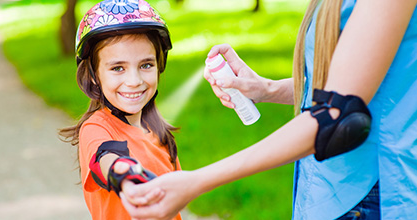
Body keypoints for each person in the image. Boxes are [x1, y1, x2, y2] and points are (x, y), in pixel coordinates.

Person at [117, 0, 417, 219]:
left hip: (372, 194)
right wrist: (266, 88)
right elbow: (343, 85)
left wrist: (197, 181)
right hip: (327, 191)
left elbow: (336, 119)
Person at [59, 0, 182, 219]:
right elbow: (105, 156)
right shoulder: (96, 128)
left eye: (146, 65)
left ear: (159, 65)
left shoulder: (159, 133)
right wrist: (123, 173)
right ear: (93, 76)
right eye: (118, 68)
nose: (134, 81)